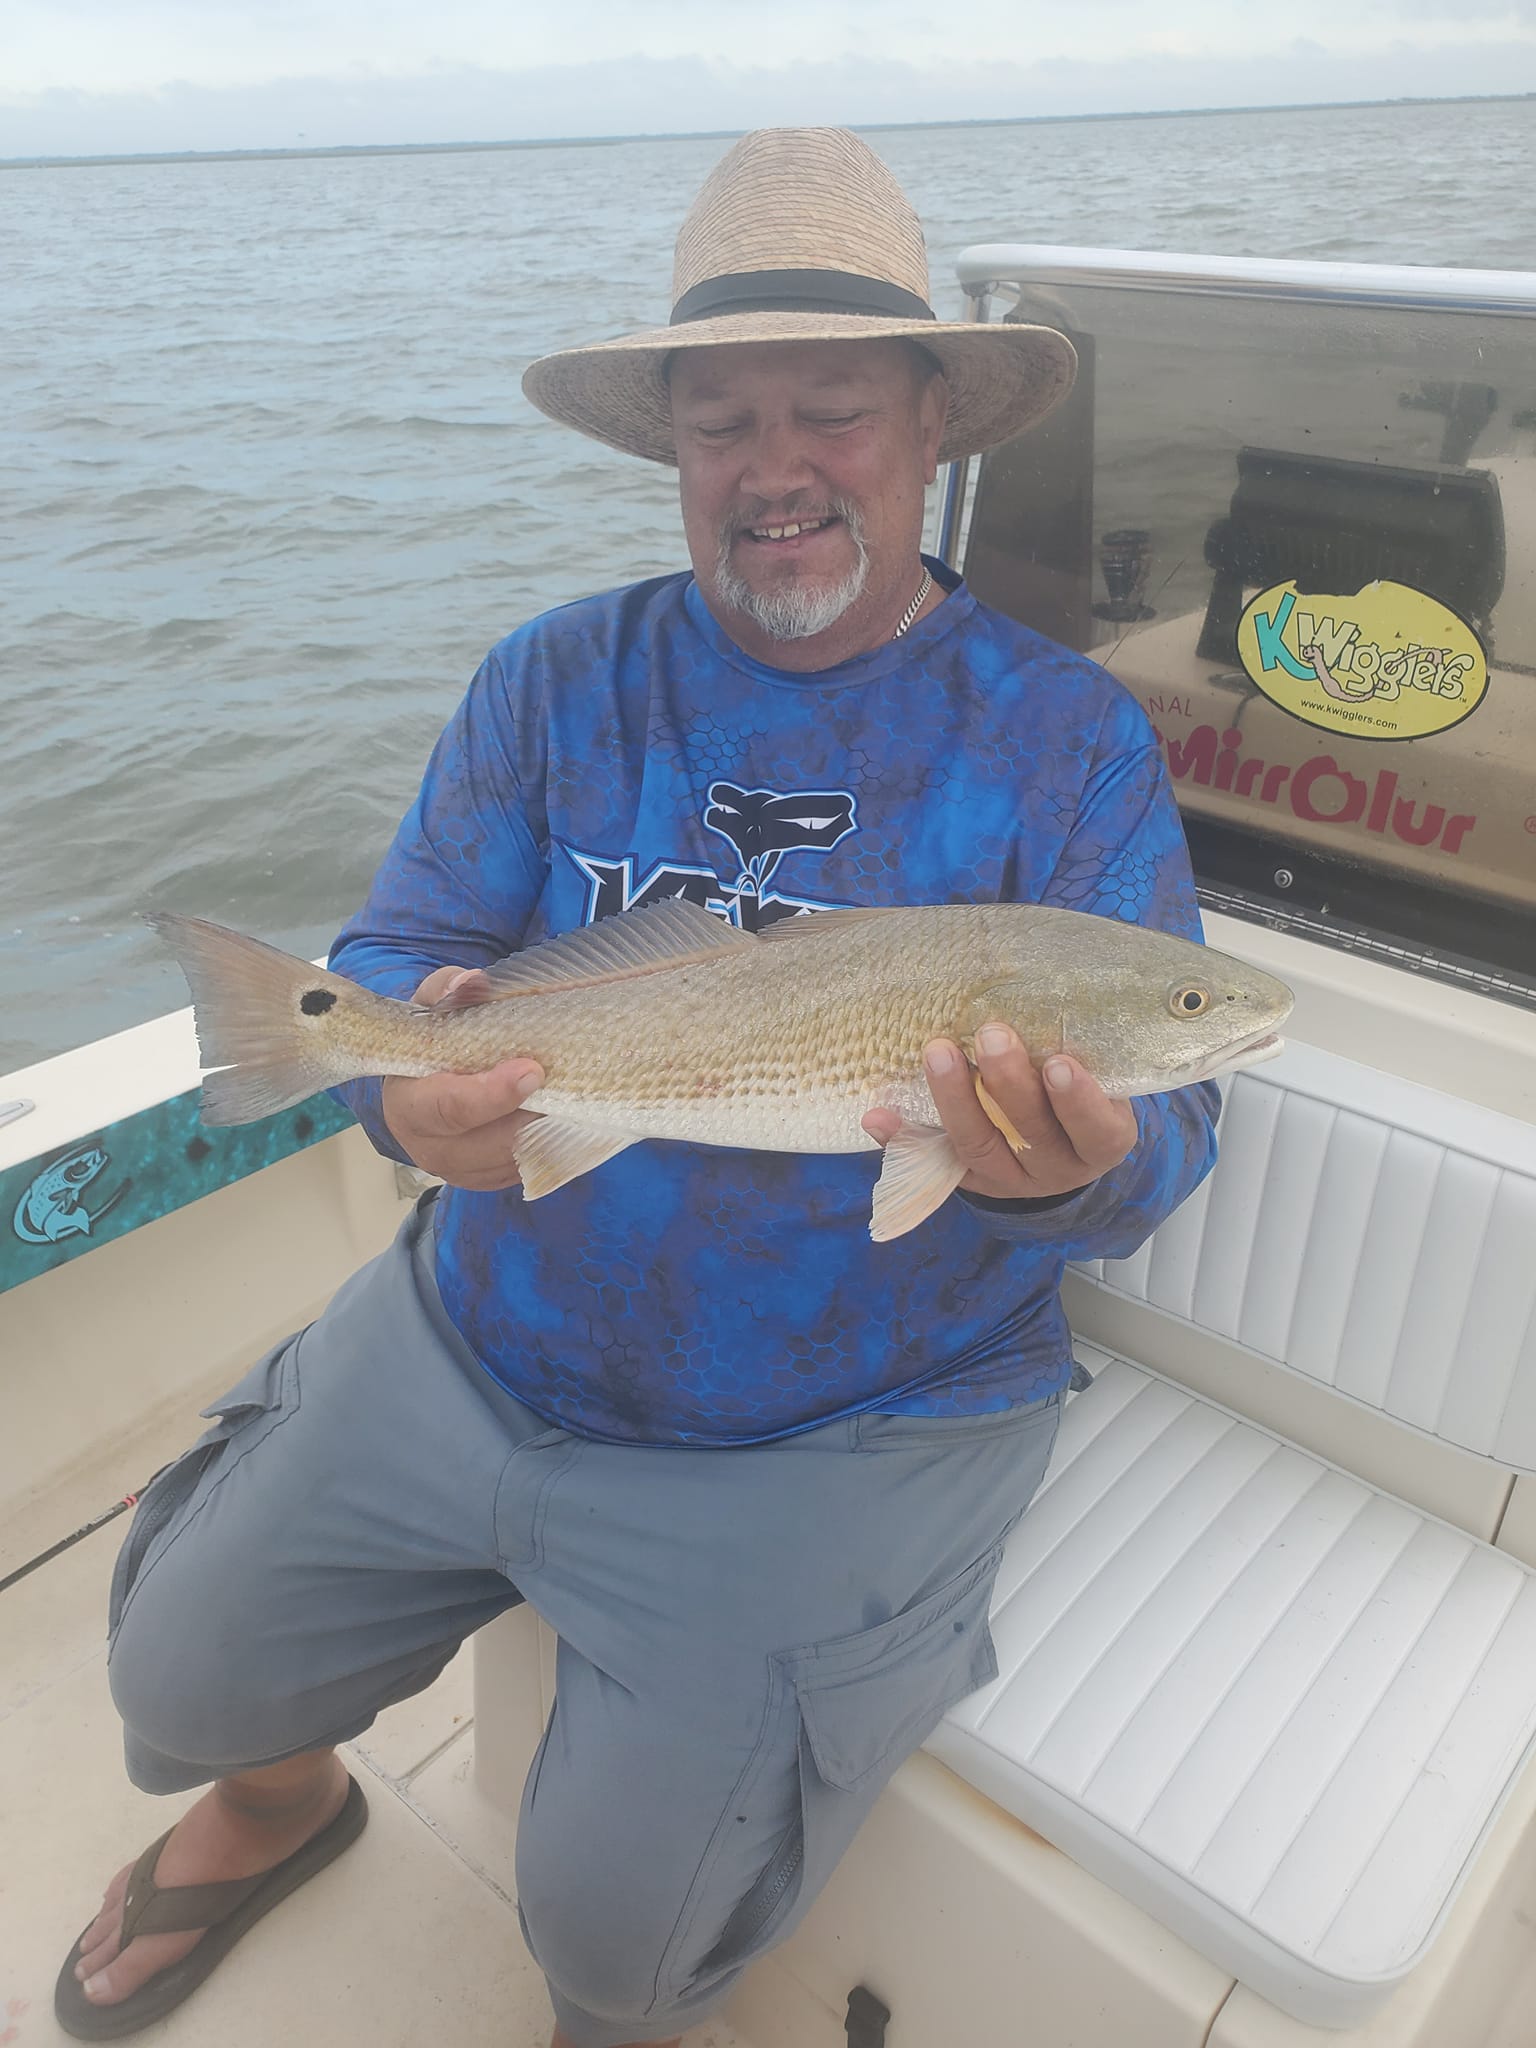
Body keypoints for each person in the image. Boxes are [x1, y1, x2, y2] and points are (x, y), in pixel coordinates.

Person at [57, 127, 1219, 2048]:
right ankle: (281, 1802)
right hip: (489, 1322)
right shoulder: (554, 679)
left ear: (931, 425)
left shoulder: (1065, 741)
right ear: (670, 448)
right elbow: (403, 952)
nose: (777, 468)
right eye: (721, 423)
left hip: (845, 1413)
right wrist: (394, 1096)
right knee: (170, 1680)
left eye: (831, 410)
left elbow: (1165, 1139)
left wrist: (1056, 1178)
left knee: (616, 1950)